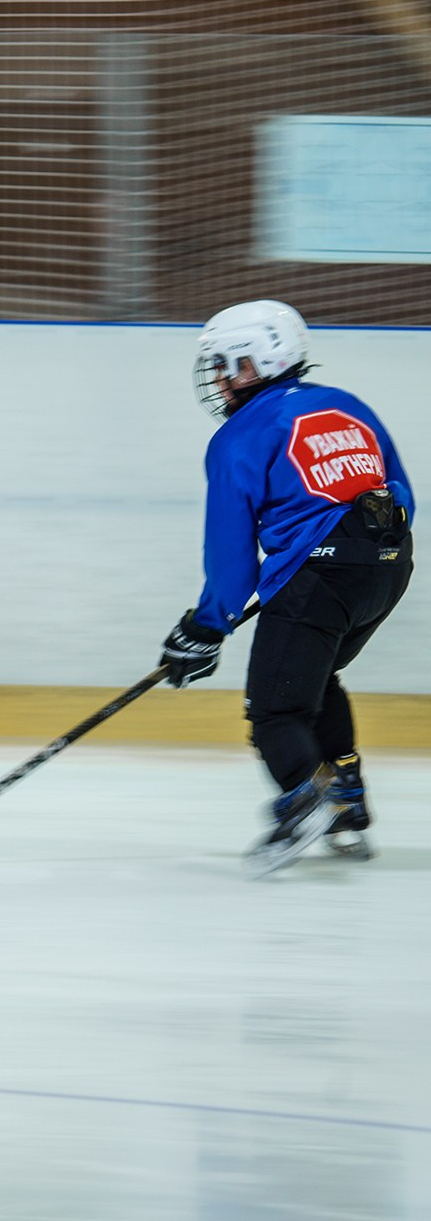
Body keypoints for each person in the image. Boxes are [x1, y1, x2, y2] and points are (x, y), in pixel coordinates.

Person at [158, 299, 412, 874]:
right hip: (389, 568)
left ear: (263, 360)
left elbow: (230, 556)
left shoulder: (239, 436)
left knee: (274, 709)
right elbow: (401, 495)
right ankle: (346, 804)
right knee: (315, 680)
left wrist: (207, 626)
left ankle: (304, 803)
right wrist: (351, 553)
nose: (220, 380)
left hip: (320, 578)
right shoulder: (348, 406)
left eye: (229, 365)